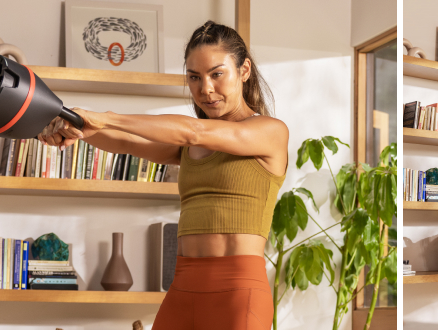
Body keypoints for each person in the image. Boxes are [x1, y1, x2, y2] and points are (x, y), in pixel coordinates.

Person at [38, 21, 287, 330]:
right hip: (183, 285)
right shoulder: (187, 145)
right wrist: (78, 129)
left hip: (238, 289)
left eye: (217, 74)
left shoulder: (270, 132)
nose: (205, 89)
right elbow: (126, 142)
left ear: (244, 70)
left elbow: (194, 130)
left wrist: (106, 118)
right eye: (194, 77)